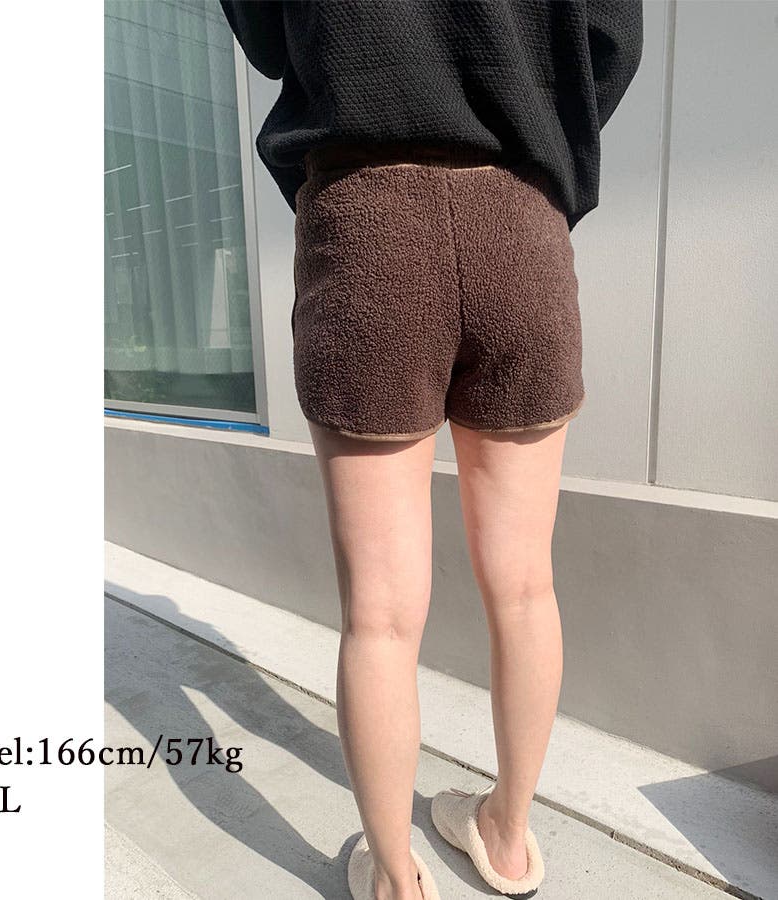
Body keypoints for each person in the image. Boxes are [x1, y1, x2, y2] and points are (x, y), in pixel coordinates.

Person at [219, 2, 643, 898]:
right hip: (519, 217)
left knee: (379, 614)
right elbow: (611, 41)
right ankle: (508, 839)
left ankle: (395, 878)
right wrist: (527, 106)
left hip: (368, 218)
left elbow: (264, 33)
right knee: (524, 586)